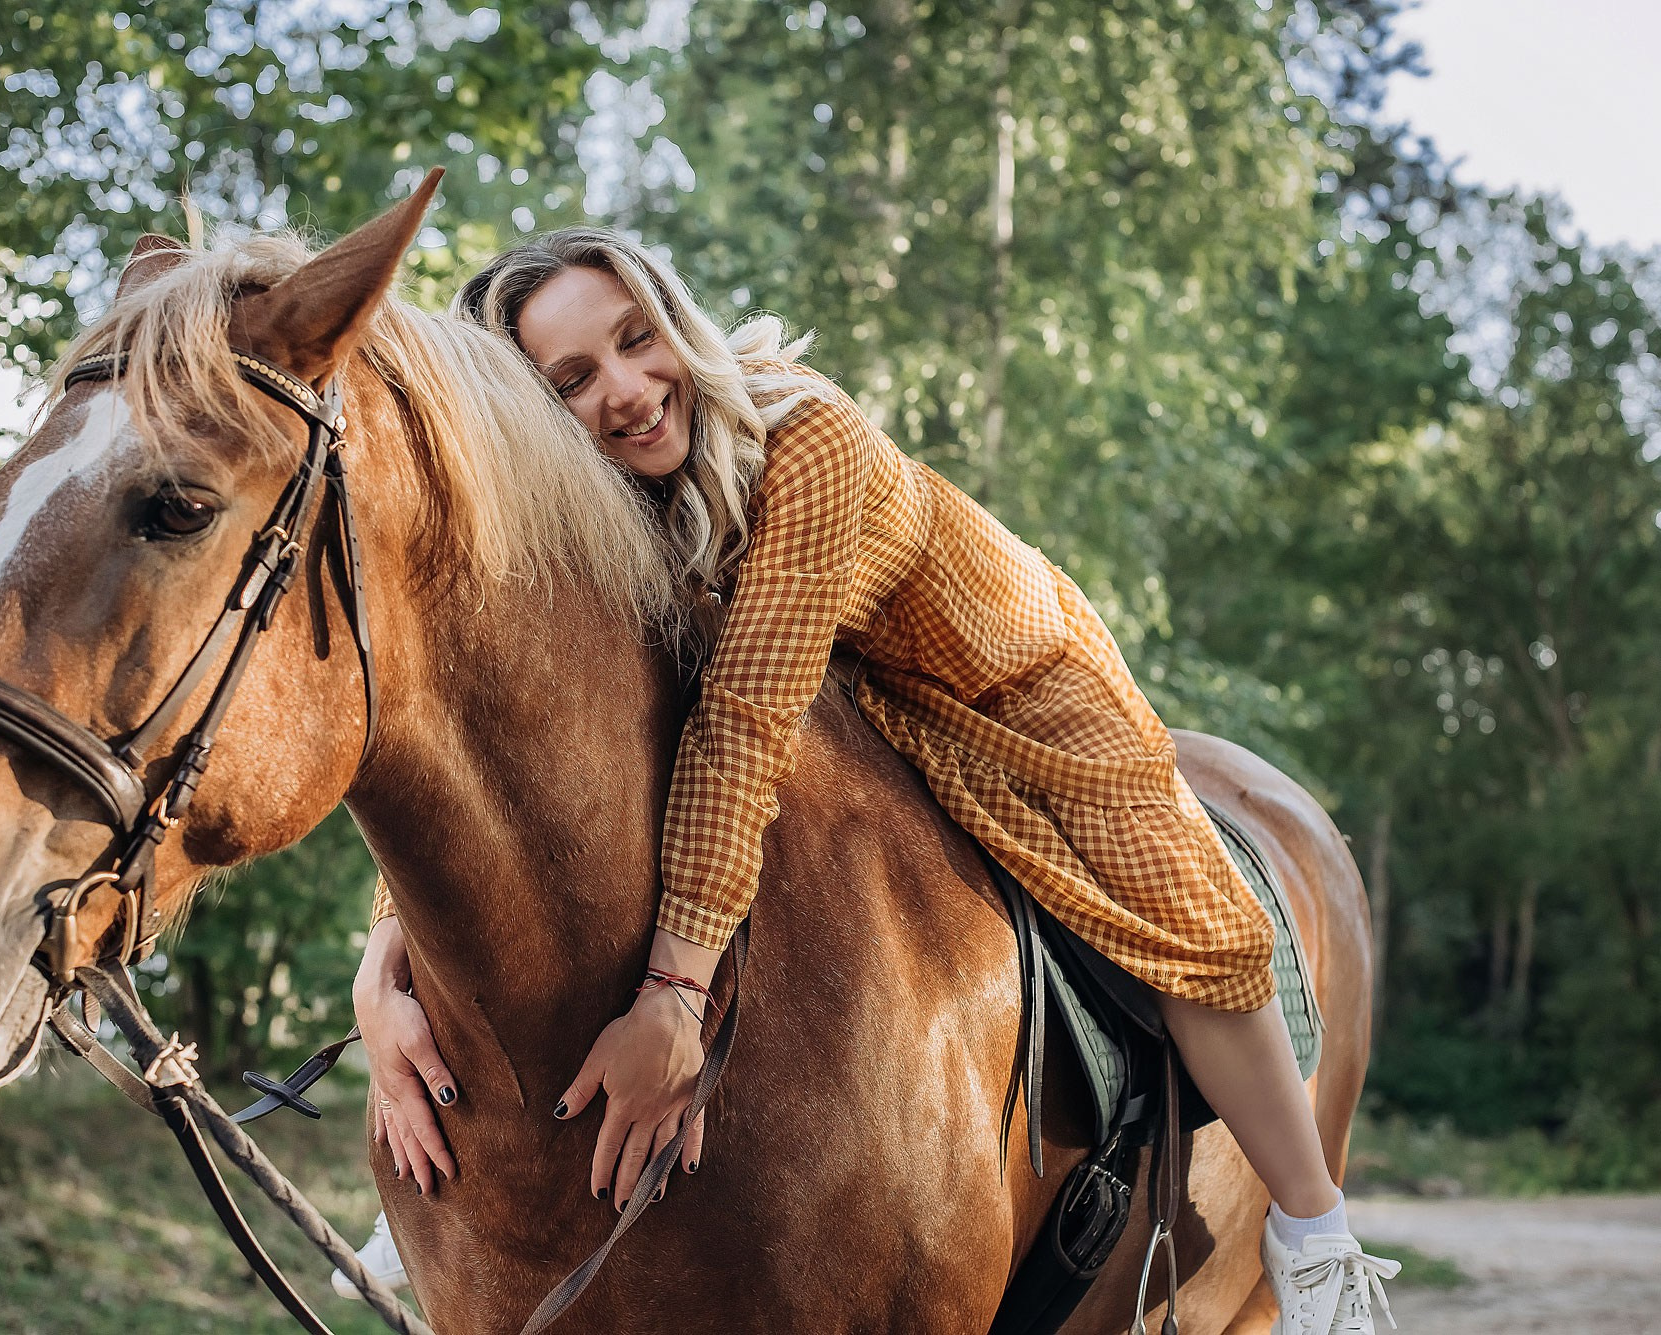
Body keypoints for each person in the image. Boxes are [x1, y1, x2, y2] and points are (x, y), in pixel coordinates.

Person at [349, 227, 1398, 1334]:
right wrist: (386, 965)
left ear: (673, 322)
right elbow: (508, 748)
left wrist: (672, 995)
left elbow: (741, 723)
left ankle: (1314, 1241)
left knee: (1184, 906)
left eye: (633, 339)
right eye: (570, 380)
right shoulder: (592, 509)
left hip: (1010, 687)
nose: (625, 391)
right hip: (846, 698)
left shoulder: (807, 439)